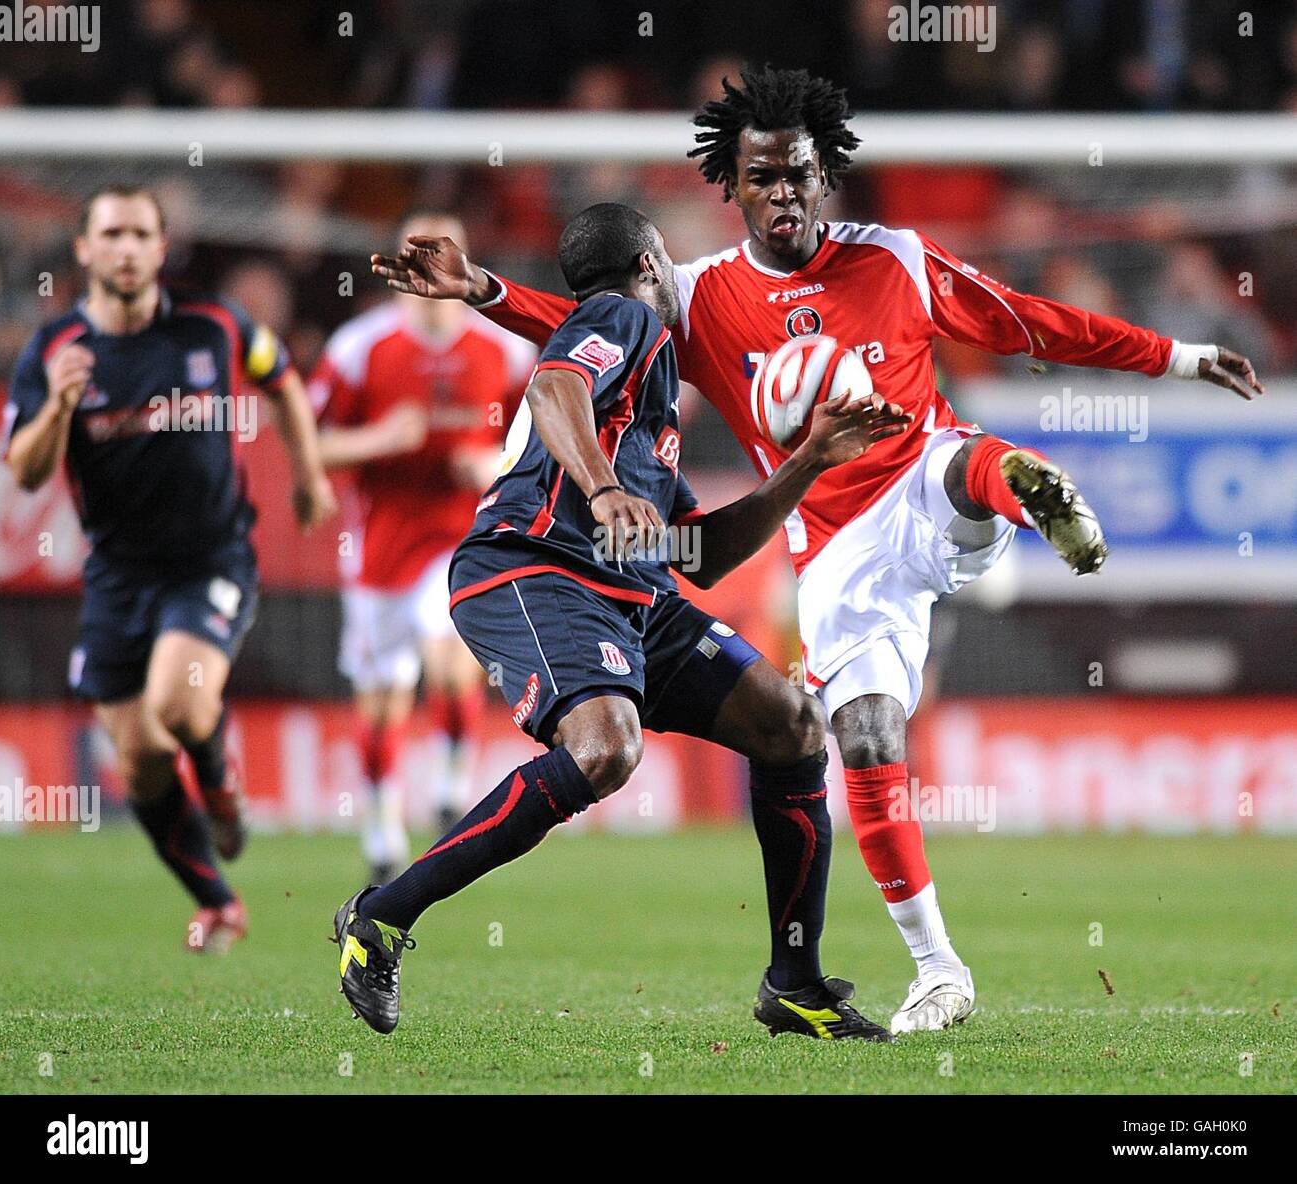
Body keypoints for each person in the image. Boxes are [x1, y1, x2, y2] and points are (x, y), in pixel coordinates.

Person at [371, 66, 1263, 1033]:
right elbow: (582, 335)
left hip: (917, 472)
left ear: (824, 173)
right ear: (735, 187)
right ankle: (929, 971)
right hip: (828, 547)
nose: (784, 191)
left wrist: (1170, 355)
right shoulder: (693, 300)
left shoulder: (896, 259)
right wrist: (490, 294)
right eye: (763, 177)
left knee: (950, 474)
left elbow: (1025, 323)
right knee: (846, 737)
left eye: (799, 172)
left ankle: (1017, 490)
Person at [338, 202, 912, 1038]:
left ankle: (794, 984)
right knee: (606, 748)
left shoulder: (652, 402)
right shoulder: (627, 319)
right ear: (652, 263)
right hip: (531, 567)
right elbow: (553, 383)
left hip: (634, 591)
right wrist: (603, 489)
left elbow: (701, 556)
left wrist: (809, 461)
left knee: (791, 725)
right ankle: (380, 918)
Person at [2, 185, 337, 952]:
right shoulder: (54, 353)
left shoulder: (214, 325)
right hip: (117, 576)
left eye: (140, 233)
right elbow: (24, 472)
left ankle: (220, 789)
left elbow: (280, 375)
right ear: (85, 249)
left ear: (160, 248)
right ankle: (219, 901)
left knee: (179, 707)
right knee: (142, 761)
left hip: (211, 557)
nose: (126, 247)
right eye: (110, 233)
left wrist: (309, 473)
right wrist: (57, 408)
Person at [311, 212, 535, 882]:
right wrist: (380, 439)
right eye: (419, 249)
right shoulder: (359, 348)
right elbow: (310, 444)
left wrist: (494, 462)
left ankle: (447, 791)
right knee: (382, 695)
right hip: (382, 542)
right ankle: (381, 823)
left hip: (463, 536)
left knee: (450, 651)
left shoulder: (506, 348)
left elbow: (539, 440)